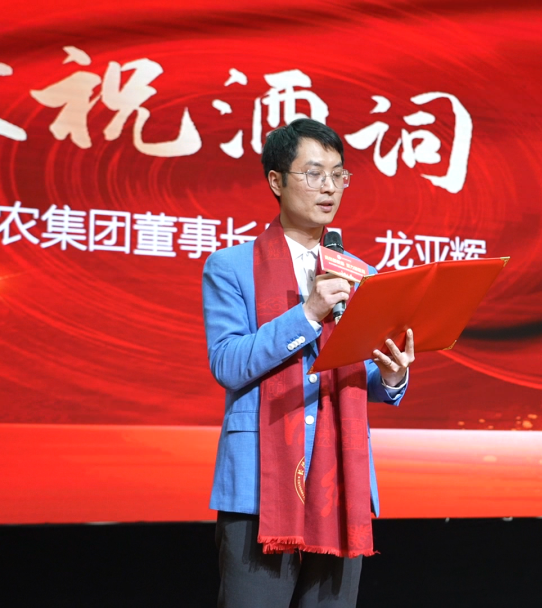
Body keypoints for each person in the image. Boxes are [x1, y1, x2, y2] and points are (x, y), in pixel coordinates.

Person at [201, 118, 415, 608]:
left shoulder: (362, 274)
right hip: (259, 481)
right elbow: (228, 363)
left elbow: (362, 372)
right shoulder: (231, 267)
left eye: (338, 175)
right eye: (314, 173)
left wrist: (391, 374)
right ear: (276, 181)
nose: (329, 187)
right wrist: (308, 314)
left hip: (341, 479)